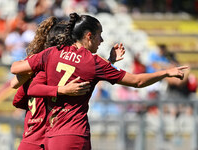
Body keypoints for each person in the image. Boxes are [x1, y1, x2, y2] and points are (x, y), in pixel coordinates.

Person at [10, 12, 188, 150]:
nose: (101, 40)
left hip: (50, 136)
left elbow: (21, 84)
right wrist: (166, 72)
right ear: (89, 36)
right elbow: (137, 82)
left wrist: (108, 62)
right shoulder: (94, 62)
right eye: (99, 35)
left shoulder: (51, 54)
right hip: (73, 134)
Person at [11, 15, 125, 150]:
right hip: (46, 141)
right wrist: (61, 90)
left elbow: (18, 99)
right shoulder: (48, 73)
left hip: (29, 141)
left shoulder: (38, 72)